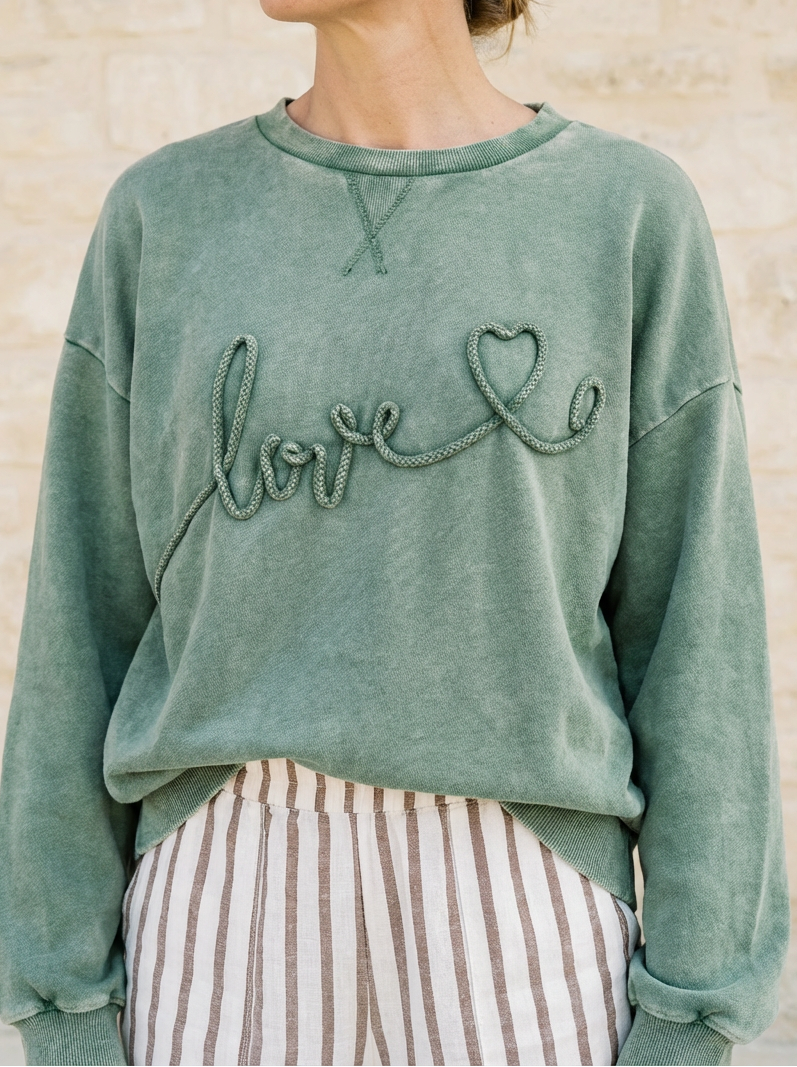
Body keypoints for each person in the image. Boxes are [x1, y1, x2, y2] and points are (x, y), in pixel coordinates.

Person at [0, 0, 788, 1064]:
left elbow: (698, 630)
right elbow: (80, 616)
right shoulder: (165, 214)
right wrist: (60, 999)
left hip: (524, 896)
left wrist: (692, 1011)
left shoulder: (624, 212)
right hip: (219, 879)